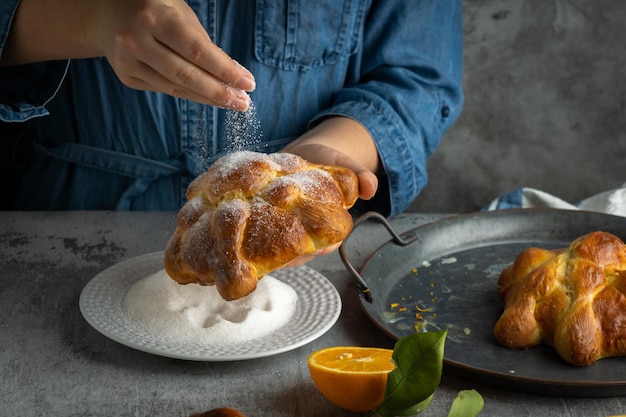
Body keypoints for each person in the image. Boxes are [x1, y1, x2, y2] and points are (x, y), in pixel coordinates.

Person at [0, 0, 463, 217]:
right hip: (74, 222)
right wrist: (87, 18)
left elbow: (416, 78)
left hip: (292, 232)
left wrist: (320, 153)